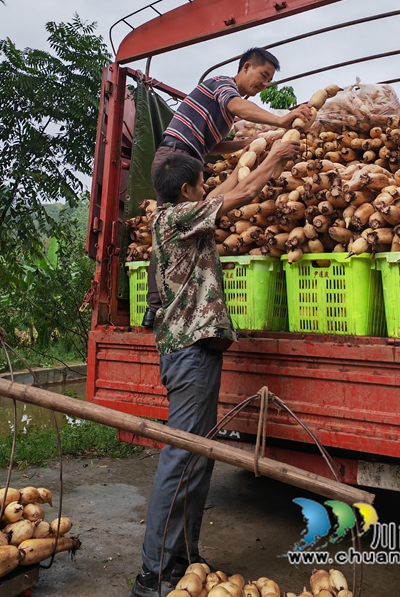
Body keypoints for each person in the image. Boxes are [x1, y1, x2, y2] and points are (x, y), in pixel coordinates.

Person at [131, 138, 301, 597]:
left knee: (198, 455)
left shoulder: (176, 213)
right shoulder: (175, 219)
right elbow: (241, 194)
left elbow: (223, 193)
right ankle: (153, 571)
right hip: (189, 352)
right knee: (182, 455)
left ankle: (183, 556)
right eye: (201, 184)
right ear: (186, 191)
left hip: (195, 351)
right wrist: (274, 157)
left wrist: (255, 160)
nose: (208, 189)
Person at [141, 46, 311, 327]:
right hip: (175, 158)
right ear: (246, 67)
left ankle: (177, 305)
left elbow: (213, 146)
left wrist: (247, 144)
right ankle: (155, 308)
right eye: (263, 75)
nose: (264, 84)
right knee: (168, 234)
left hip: (189, 156)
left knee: (185, 231)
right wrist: (281, 120)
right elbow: (235, 105)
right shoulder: (221, 85)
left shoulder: (225, 113)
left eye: (269, 80)